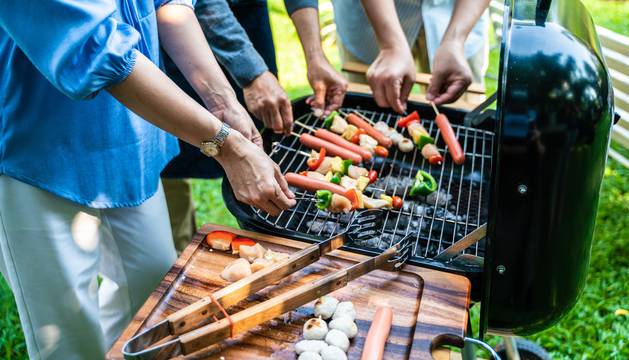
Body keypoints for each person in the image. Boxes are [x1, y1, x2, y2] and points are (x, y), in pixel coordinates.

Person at [0, 1, 295, 358]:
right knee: (67, 335)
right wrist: (225, 146)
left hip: (131, 138)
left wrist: (224, 104)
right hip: (35, 152)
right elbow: (94, 47)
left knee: (151, 296)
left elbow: (169, 5)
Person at [161, 0, 348, 250]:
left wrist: (315, 55)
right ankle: (174, 250)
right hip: (176, 40)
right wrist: (251, 72)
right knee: (164, 167)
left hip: (246, 21)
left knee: (258, 146)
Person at [332, 0, 490, 113]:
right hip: (372, 19)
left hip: (461, 15)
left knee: (463, 110)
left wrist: (455, 41)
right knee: (366, 106)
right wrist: (390, 45)